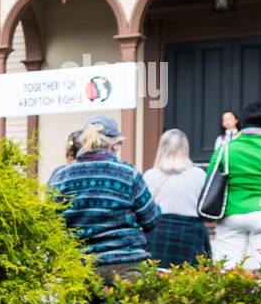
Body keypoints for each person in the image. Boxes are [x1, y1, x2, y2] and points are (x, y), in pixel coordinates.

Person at [47, 115, 160, 284]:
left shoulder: (61, 176)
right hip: (125, 266)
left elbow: (49, 222)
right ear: (115, 144)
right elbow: (151, 219)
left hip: (79, 268)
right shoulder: (127, 173)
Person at [208, 101, 261, 269]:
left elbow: (209, 182)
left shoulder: (225, 148)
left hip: (231, 214)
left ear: (242, 123)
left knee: (227, 273)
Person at [142, 129, 210, 268]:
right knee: (189, 282)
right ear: (185, 149)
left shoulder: (150, 175)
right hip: (191, 235)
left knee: (156, 282)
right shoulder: (199, 175)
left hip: (157, 234)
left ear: (161, 149)